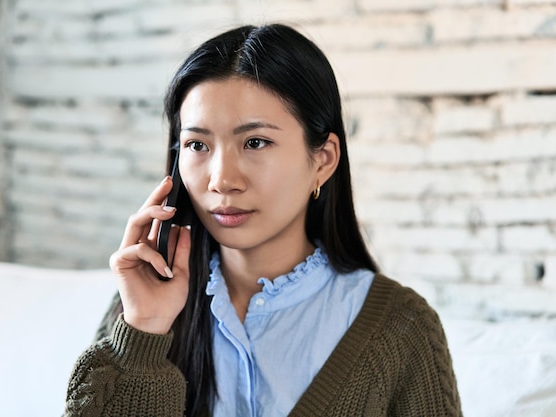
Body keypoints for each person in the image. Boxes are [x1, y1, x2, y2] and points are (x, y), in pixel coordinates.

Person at [63, 23, 462, 417]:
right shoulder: (140, 309)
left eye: (255, 142)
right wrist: (145, 332)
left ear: (322, 160)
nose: (221, 180)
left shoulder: (401, 328)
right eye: (197, 144)